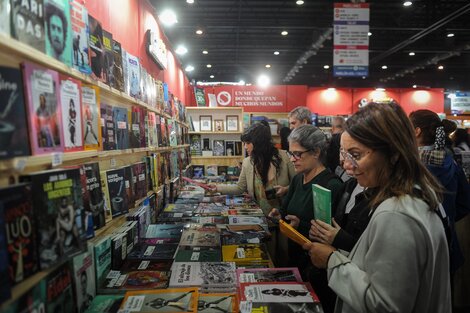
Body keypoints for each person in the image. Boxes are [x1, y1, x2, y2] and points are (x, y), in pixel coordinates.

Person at [304, 102, 451, 313]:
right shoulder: (410, 197)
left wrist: (331, 261)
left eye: (356, 154)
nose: (346, 165)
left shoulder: (396, 214)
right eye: (344, 154)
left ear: (393, 153)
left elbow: (383, 305)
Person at [268, 125, 343, 313]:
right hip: (294, 261)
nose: (292, 160)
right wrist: (279, 215)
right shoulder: (297, 179)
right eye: (291, 154)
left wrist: (299, 225)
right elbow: (286, 210)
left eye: (298, 154)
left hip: (315, 269)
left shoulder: (331, 185)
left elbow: (327, 235)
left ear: (316, 152)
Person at [409, 109, 470, 274]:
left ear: (417, 131)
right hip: (446, 242)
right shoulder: (451, 162)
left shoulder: (406, 166)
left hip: (412, 244)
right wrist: (447, 217)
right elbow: (465, 203)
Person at [211, 123, 295, 214]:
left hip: (285, 218)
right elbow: (239, 188)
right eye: (244, 143)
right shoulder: (247, 162)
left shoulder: (286, 157)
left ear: (259, 142)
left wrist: (286, 189)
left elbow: (299, 185)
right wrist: (217, 188)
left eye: (248, 143)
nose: (245, 147)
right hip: (260, 219)